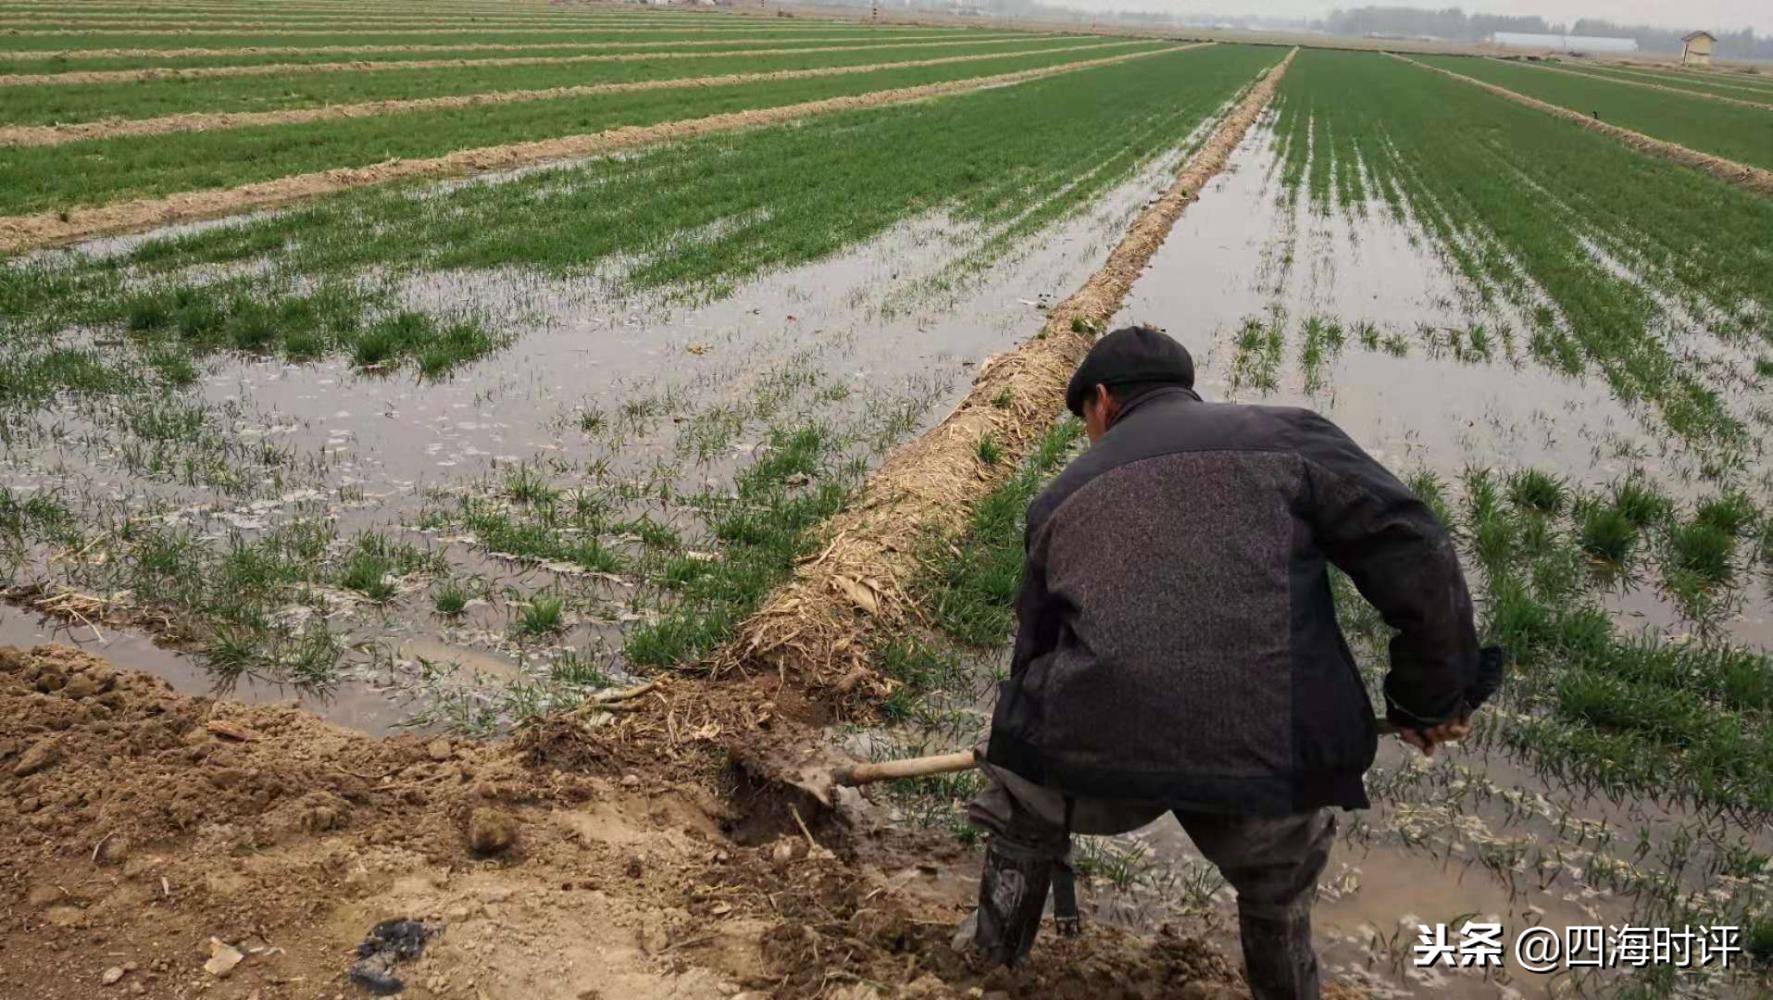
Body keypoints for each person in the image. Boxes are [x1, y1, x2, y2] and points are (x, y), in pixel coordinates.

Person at [963, 325, 1499, 999]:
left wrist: (1020, 752)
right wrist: (1430, 698)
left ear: (1102, 401)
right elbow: (1414, 548)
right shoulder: (1291, 439)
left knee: (1022, 797)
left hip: (1097, 749)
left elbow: (1034, 650)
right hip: (1268, 749)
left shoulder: (1060, 496)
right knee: (1277, 883)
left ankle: (984, 969)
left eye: (1085, 421)